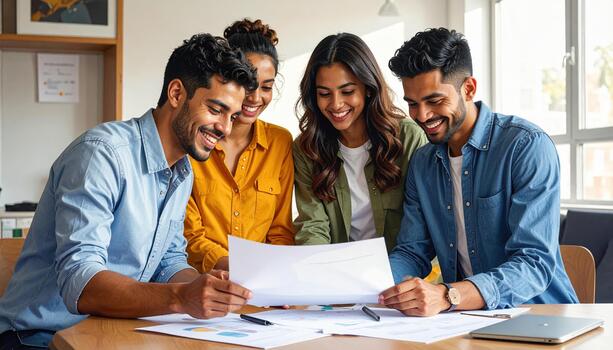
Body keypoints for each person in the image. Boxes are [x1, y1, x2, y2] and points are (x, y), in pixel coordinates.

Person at [0, 33, 258, 349]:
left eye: (232, 116)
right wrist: (181, 297)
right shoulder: (102, 154)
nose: (225, 128)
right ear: (176, 93)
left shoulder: (182, 171)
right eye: (216, 109)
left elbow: (168, 262)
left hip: (110, 333)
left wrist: (208, 290)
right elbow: (80, 280)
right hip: (36, 338)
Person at [379, 28, 578, 317]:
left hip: (540, 315)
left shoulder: (525, 147)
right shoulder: (423, 164)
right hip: (466, 321)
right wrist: (374, 287)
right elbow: (412, 252)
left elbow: (534, 262)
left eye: (434, 100)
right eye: (412, 103)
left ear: (469, 88)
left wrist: (450, 295)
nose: (421, 116)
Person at [293, 33, 429, 257]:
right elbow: (312, 226)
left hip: (401, 272)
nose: (336, 104)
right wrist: (319, 273)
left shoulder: (408, 137)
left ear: (367, 88)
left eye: (347, 92)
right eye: (324, 94)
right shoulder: (307, 148)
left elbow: (420, 226)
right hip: (338, 273)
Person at [184, 19, 294, 273]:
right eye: (250, 84)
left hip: (264, 286)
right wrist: (241, 271)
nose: (256, 97)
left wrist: (276, 278)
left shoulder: (280, 142)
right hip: (199, 284)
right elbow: (190, 236)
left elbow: (281, 231)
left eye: (267, 87)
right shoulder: (193, 141)